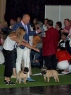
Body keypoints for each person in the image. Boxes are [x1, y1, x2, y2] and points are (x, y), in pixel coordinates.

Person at [12, 14, 41, 81]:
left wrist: (36, 31)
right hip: (20, 45)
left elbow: (29, 33)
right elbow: (14, 34)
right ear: (24, 18)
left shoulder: (27, 25)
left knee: (27, 60)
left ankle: (27, 76)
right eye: (27, 20)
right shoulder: (17, 25)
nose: (28, 22)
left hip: (27, 45)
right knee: (18, 61)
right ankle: (19, 76)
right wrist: (18, 42)